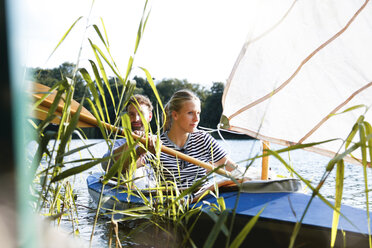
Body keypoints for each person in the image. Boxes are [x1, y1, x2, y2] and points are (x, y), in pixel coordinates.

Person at [153, 89, 239, 189]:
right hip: (172, 201)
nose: (196, 119)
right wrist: (140, 152)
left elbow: (233, 169)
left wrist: (250, 177)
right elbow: (130, 169)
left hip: (203, 200)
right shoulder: (156, 144)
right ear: (175, 115)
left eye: (198, 113)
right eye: (190, 113)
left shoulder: (203, 139)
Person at [101, 94, 155, 187]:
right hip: (127, 192)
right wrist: (132, 142)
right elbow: (106, 164)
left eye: (140, 114)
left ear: (150, 116)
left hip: (156, 193)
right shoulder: (118, 144)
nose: (136, 119)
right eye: (131, 114)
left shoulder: (159, 141)